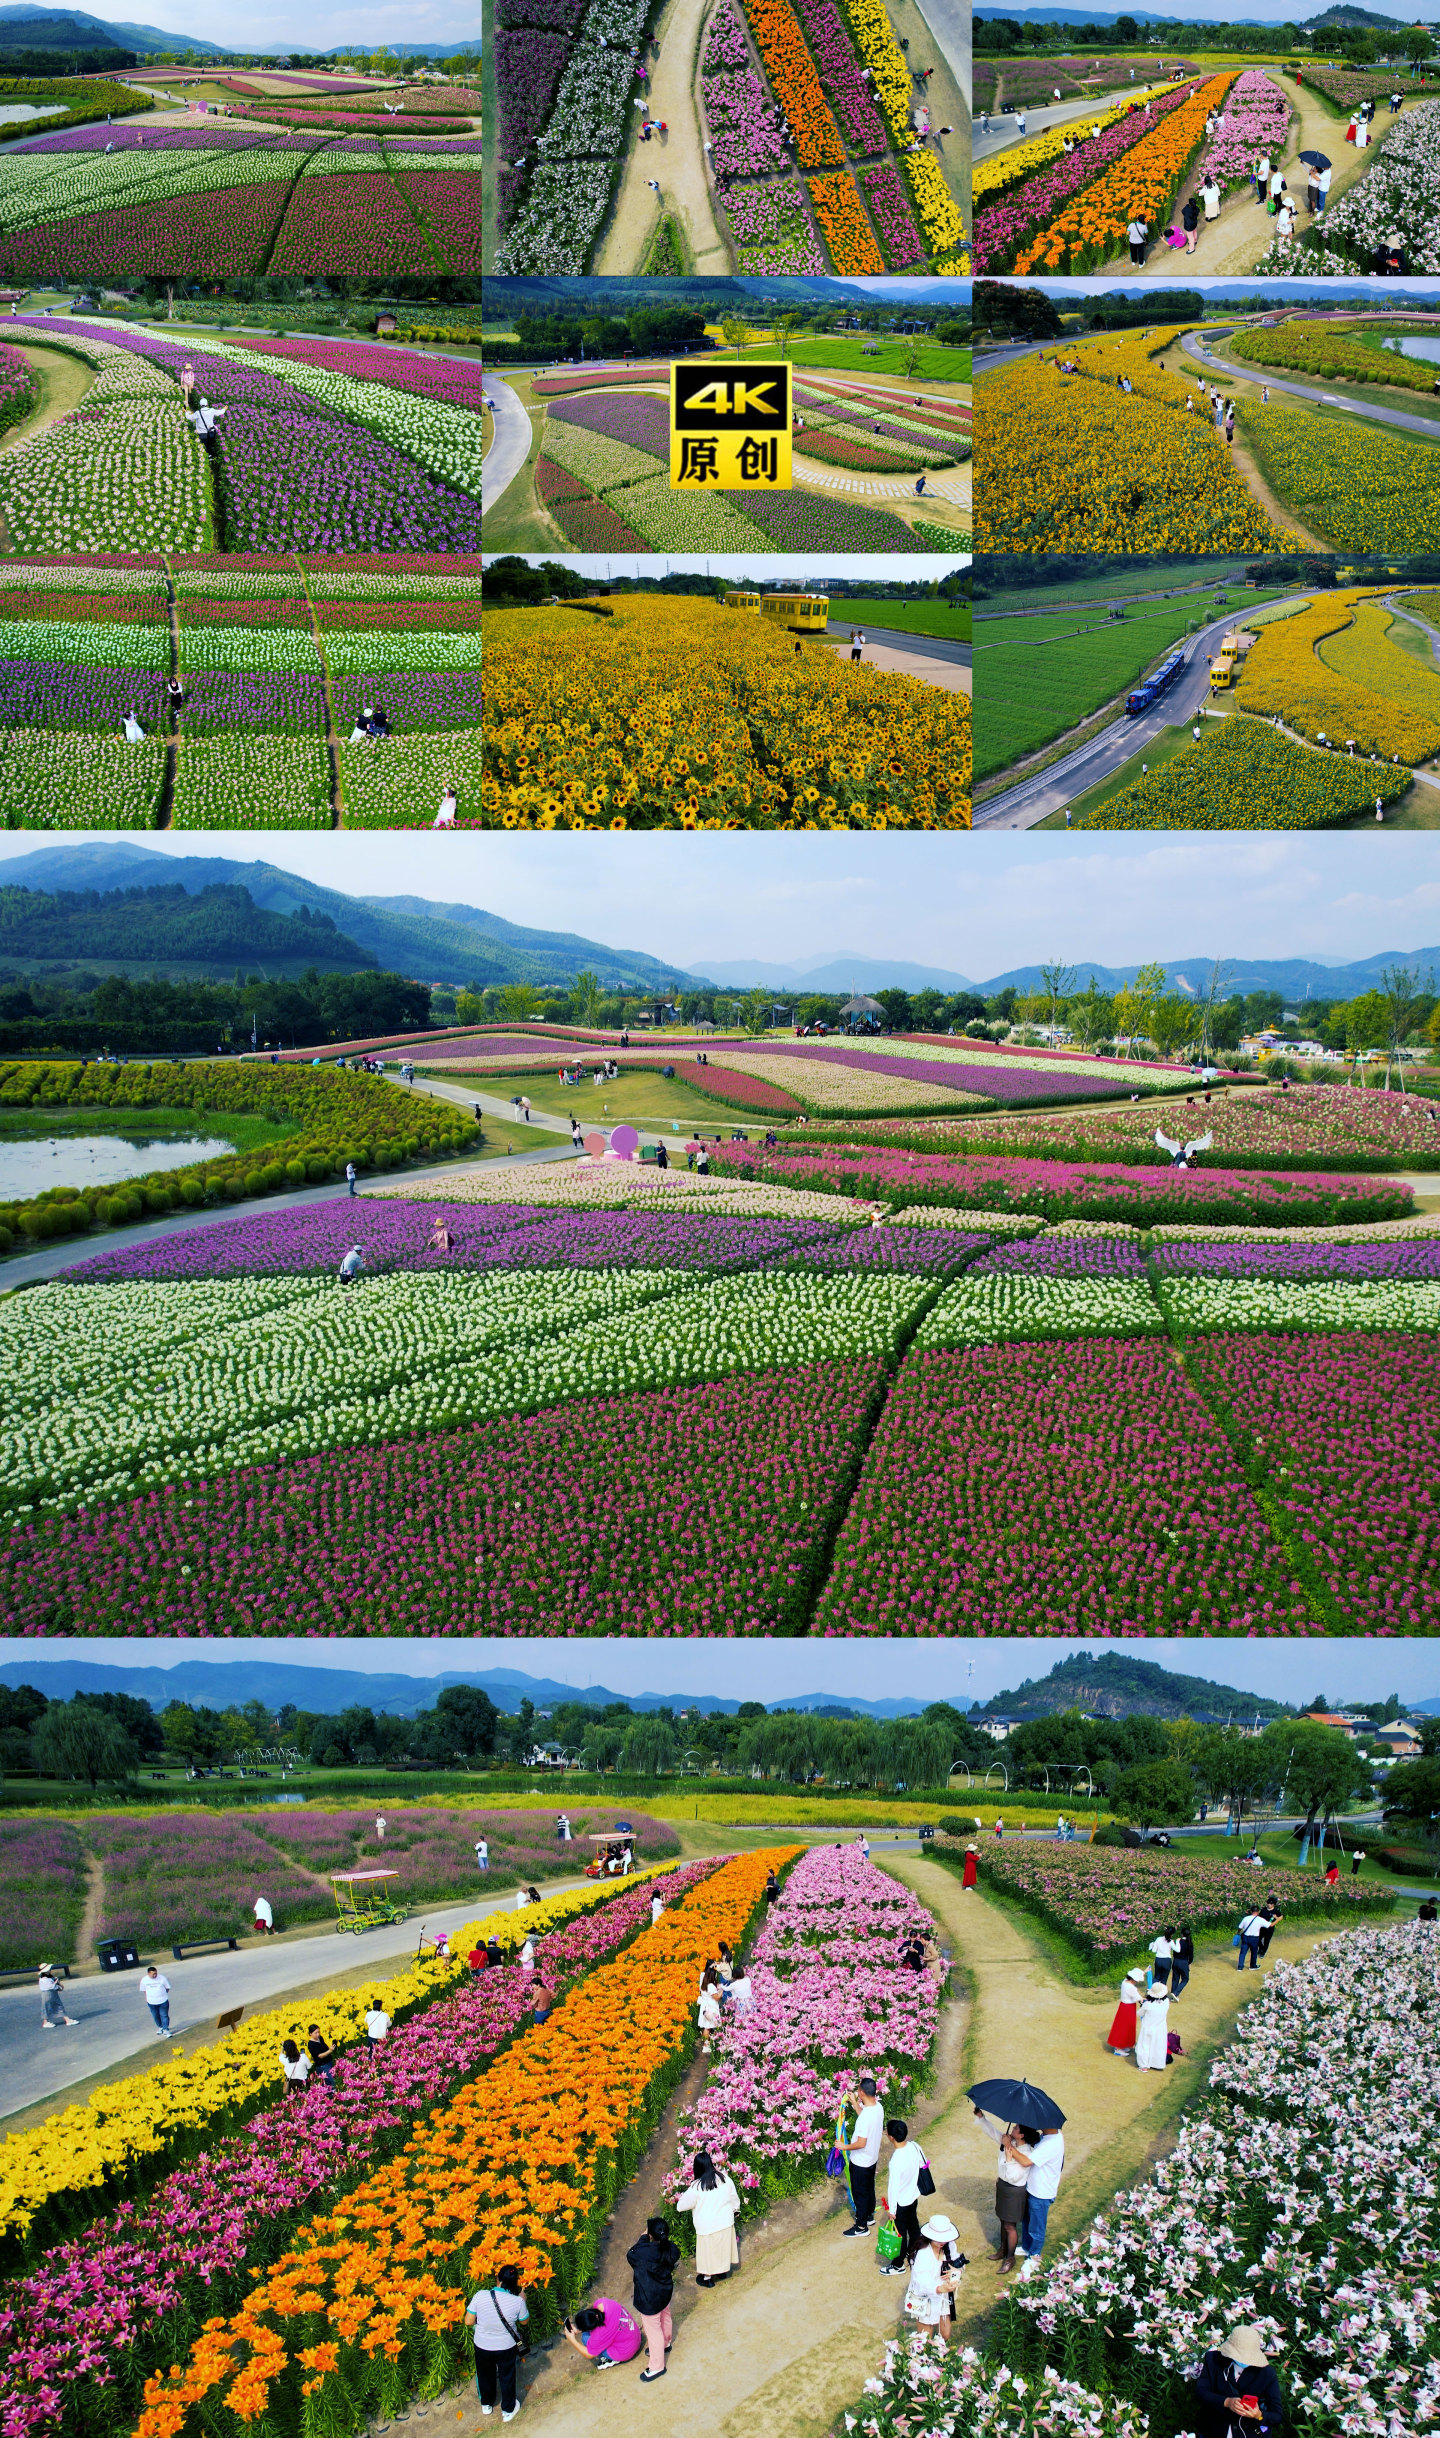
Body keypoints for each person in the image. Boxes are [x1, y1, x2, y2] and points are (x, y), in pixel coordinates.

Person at [1192, 2324, 1285, 2437]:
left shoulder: (1266, 2373)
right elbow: (1200, 2393)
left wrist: (1258, 2415)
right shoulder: (1213, 2360)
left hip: (1247, 2432)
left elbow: (1277, 2416)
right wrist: (1226, 2402)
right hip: (1213, 2429)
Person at [465, 2266, 528, 2422]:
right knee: (507, 2376)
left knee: (484, 2373)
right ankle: (508, 2410)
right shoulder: (518, 2301)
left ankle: (486, 2404)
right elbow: (524, 2322)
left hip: (482, 2345)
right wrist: (523, 2299)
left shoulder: (480, 2295)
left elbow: (468, 2321)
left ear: (497, 2279)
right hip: (506, 2347)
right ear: (515, 2283)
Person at [676, 2150, 741, 2285]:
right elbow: (733, 2196)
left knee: (708, 2254)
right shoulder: (723, 2178)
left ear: (697, 2168)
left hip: (707, 2226)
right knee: (723, 2248)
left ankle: (708, 2278)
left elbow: (680, 2206)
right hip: (725, 2222)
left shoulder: (696, 2187)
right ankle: (722, 2272)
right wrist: (735, 2209)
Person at [627, 2215, 680, 2381]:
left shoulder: (642, 2253)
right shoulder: (670, 2248)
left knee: (653, 2330)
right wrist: (650, 2235)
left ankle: (657, 2367)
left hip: (649, 2298)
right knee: (665, 2315)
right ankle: (666, 2343)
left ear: (650, 2235)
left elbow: (631, 2254)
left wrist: (644, 2237)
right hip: (664, 2291)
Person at [1010, 2122, 1064, 2272]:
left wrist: (1010, 2146)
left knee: (1036, 2228)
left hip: (1041, 2193)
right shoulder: (1048, 2136)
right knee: (1027, 2221)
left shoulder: (1051, 2144)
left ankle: (1034, 2257)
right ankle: (1027, 2247)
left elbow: (1026, 2161)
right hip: (1033, 2188)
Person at [905, 2215, 966, 2346]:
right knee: (925, 2339)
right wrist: (938, 2289)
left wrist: (956, 2273)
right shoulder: (922, 2253)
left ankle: (939, 2357)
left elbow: (958, 2264)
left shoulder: (950, 2246)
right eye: (938, 2238)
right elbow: (920, 2282)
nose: (942, 2242)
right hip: (925, 2298)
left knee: (945, 2334)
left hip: (943, 2296)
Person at [882, 2119, 928, 2271]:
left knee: (899, 2234)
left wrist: (891, 2211)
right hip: (913, 2196)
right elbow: (924, 2164)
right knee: (913, 2226)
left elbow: (893, 2188)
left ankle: (898, 2264)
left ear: (891, 2137)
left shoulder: (896, 2160)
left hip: (901, 2203)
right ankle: (913, 2252)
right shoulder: (914, 2146)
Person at [841, 2075, 885, 2235]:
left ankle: (861, 2227)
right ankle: (868, 2216)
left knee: (860, 2193)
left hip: (860, 2161)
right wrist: (854, 2103)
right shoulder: (878, 2107)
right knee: (869, 2188)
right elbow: (865, 2117)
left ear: (861, 2093)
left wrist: (844, 2146)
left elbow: (861, 2143)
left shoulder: (866, 2117)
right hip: (871, 2159)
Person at [563, 2298, 644, 2368]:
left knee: (585, 2337)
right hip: (635, 2336)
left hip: (626, 2351)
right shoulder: (602, 2302)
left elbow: (589, 2354)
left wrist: (572, 2339)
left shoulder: (600, 2334)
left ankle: (611, 2359)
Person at [1135, 1980, 1171, 2070]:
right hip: (1160, 2028)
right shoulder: (1166, 2002)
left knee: (1144, 2046)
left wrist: (1142, 2004)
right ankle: (1157, 2064)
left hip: (1148, 2027)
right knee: (1158, 2046)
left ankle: (1143, 2066)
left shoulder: (1148, 2004)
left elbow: (1139, 2013)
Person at [1107, 1969, 1146, 2053]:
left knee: (1123, 2026)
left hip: (1124, 2007)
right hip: (1128, 2008)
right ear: (1133, 1979)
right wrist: (1144, 1999)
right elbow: (1139, 1998)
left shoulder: (1124, 1982)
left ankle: (1122, 2045)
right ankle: (1118, 2048)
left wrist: (1144, 1972)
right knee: (1124, 2027)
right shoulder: (1131, 1988)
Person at [38, 1963, 76, 2029]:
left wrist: (57, 1983)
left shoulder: (49, 1976)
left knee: (59, 2005)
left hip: (53, 1993)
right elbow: (51, 1986)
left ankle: (67, 2020)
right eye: (49, 1969)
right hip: (47, 1994)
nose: (50, 1970)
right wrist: (56, 1983)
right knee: (46, 2007)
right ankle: (45, 2022)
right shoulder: (44, 1978)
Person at [140, 1965, 171, 2037]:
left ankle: (166, 2029)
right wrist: (148, 1998)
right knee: (155, 2016)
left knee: (164, 2015)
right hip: (152, 2002)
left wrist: (162, 1994)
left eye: (156, 1973)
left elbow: (168, 1987)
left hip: (163, 2001)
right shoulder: (144, 1980)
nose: (155, 1975)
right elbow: (144, 1990)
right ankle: (160, 2027)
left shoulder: (162, 1978)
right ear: (148, 1973)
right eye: (153, 1974)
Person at [1169, 1926, 1195, 2000]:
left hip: (1176, 1961)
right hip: (1183, 1963)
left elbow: (1174, 1952)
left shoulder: (1178, 1941)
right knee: (1185, 1979)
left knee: (1175, 1978)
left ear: (1182, 1934)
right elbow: (1191, 1955)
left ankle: (1172, 1995)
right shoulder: (1189, 1943)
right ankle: (1175, 1993)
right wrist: (1189, 1963)